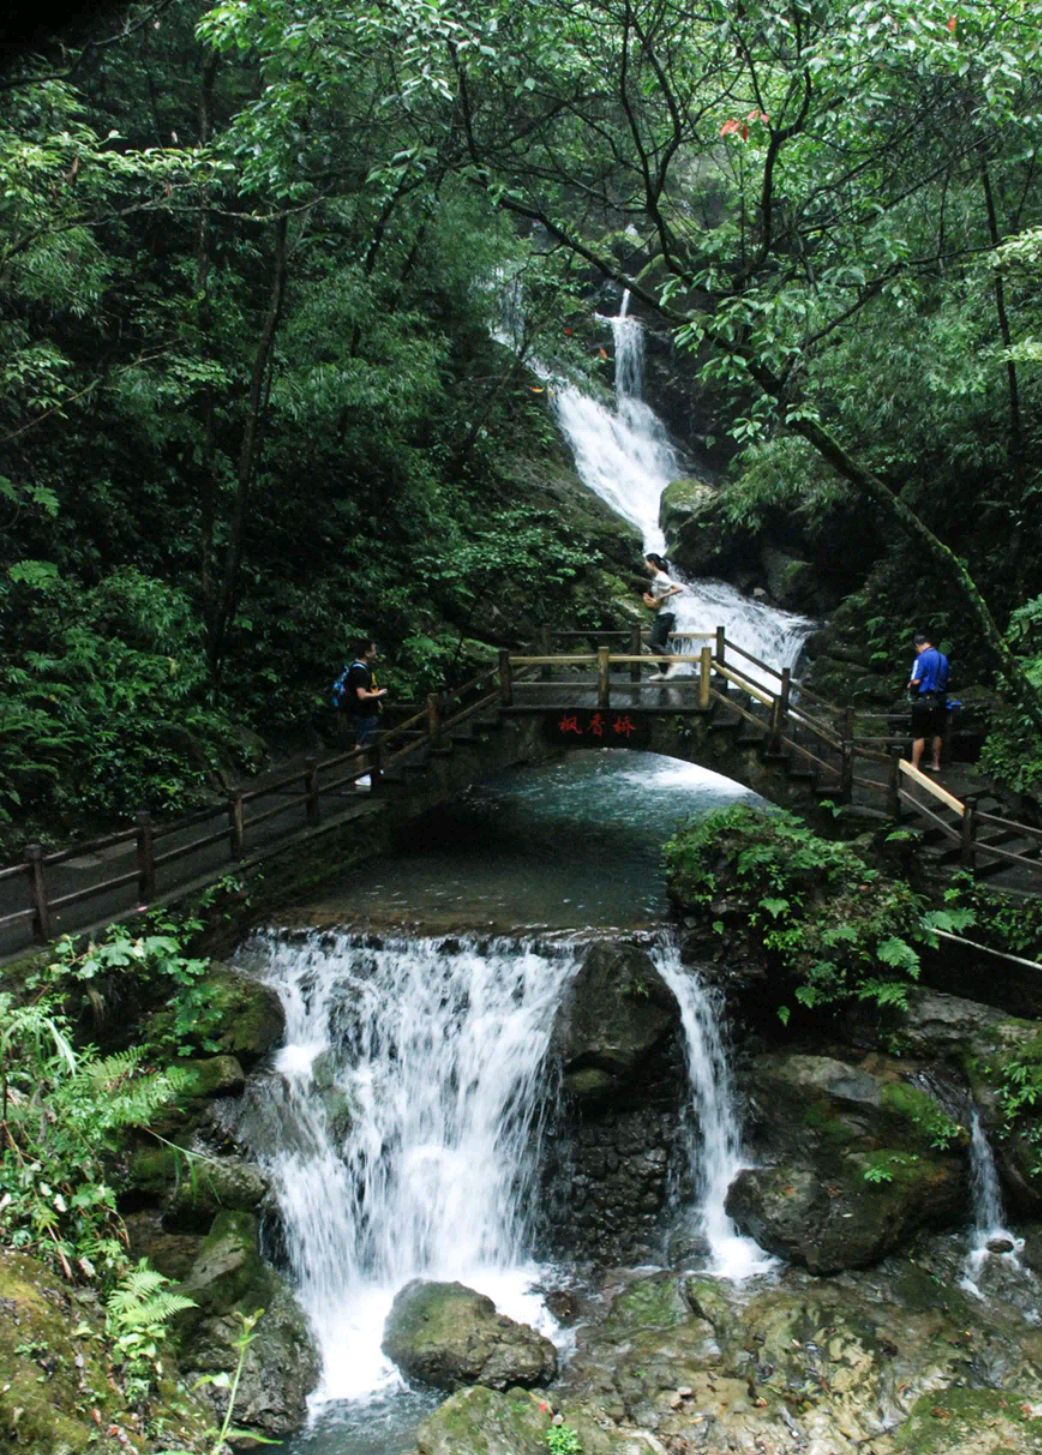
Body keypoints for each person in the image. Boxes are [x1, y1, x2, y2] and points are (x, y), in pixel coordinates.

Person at [346, 637, 388, 790]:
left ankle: (372, 769)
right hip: (362, 712)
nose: (376, 653)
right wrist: (380, 695)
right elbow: (362, 695)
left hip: (368, 711)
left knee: (370, 740)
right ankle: (360, 775)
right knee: (362, 743)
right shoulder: (359, 671)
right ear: (367, 652)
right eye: (373, 650)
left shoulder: (364, 668)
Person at [908, 631, 950, 773]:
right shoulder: (943, 658)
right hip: (940, 699)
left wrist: (911, 686)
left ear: (918, 646)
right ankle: (936, 763)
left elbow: (916, 680)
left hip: (925, 699)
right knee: (937, 733)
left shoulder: (921, 658)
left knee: (919, 733)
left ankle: (914, 765)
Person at [642, 553, 684, 677]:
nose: (645, 565)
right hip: (663, 612)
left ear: (652, 563)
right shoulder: (657, 578)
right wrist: (650, 600)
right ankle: (663, 672)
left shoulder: (661, 577)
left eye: (646, 562)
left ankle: (674, 662)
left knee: (653, 642)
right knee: (658, 644)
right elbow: (660, 602)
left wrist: (658, 597)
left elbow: (678, 588)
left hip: (667, 614)